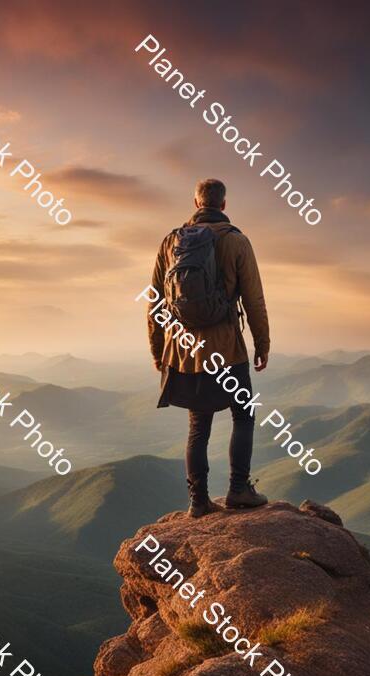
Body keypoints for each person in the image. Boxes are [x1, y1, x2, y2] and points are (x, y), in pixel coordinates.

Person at [147, 178, 270, 518]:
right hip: (227, 348)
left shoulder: (171, 242)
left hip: (184, 351)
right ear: (224, 205)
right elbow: (254, 299)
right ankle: (239, 489)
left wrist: (159, 350)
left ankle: (198, 502)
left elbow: (155, 301)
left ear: (196, 202)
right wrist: (262, 344)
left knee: (198, 425)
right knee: (243, 414)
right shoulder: (237, 242)